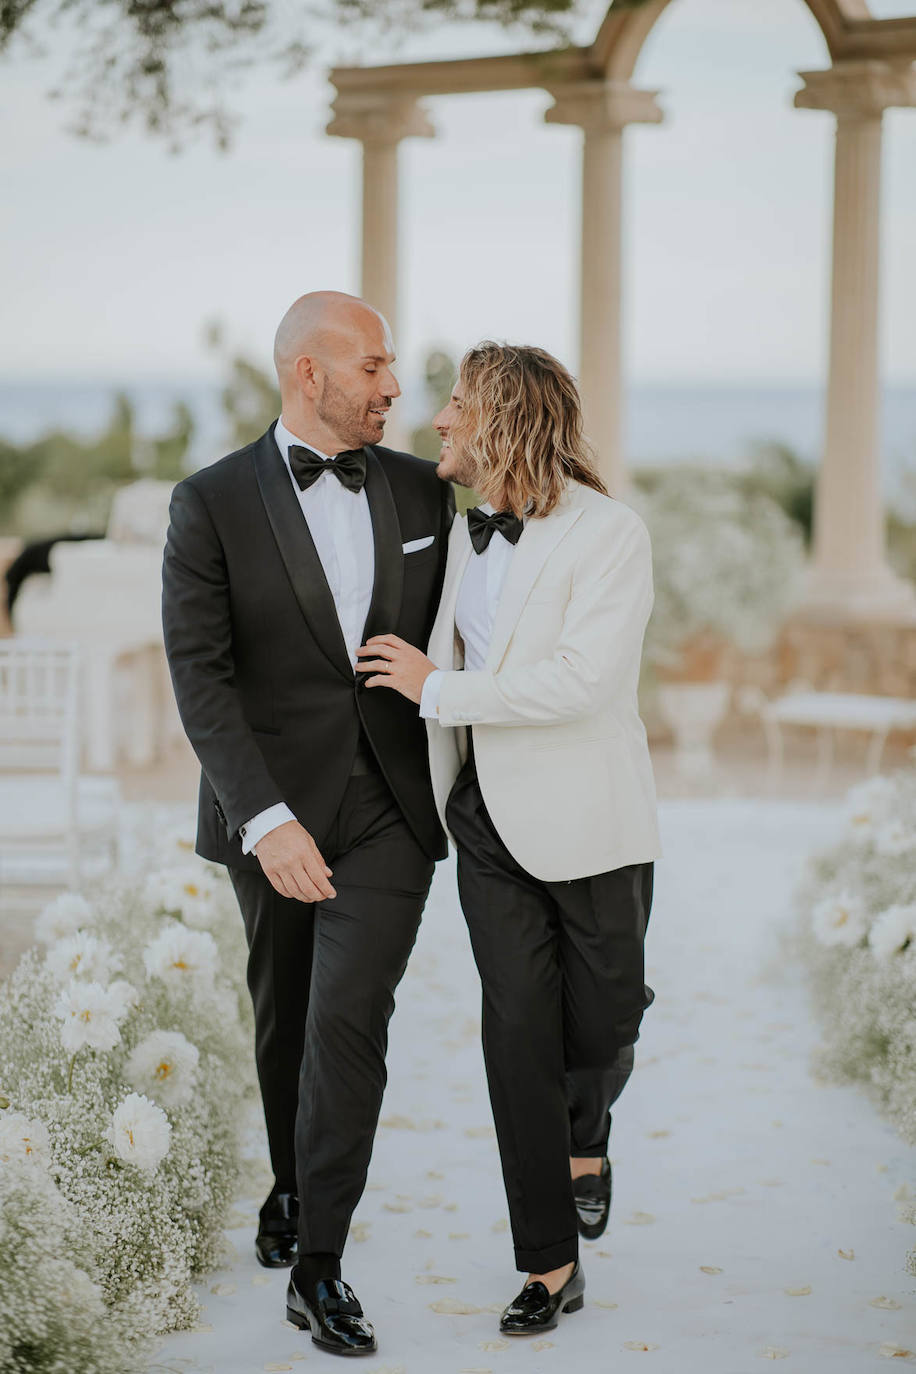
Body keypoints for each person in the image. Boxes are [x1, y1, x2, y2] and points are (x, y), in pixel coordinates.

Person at [162, 291, 454, 1357]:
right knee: (285, 1019)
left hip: (387, 806)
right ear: (308, 375)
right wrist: (265, 818)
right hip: (270, 812)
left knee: (348, 1020)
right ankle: (292, 1183)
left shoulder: (429, 491)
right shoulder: (208, 503)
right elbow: (200, 677)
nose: (393, 386)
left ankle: (320, 1265)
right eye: (373, 366)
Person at [356, 341, 660, 1336]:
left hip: (593, 819)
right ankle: (547, 1265)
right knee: (516, 1032)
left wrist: (436, 688)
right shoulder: (451, 533)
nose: (438, 420)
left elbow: (584, 681)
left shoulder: (608, 537)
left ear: (504, 422)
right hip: (483, 815)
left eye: (455, 405)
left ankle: (588, 1130)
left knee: (606, 1016)